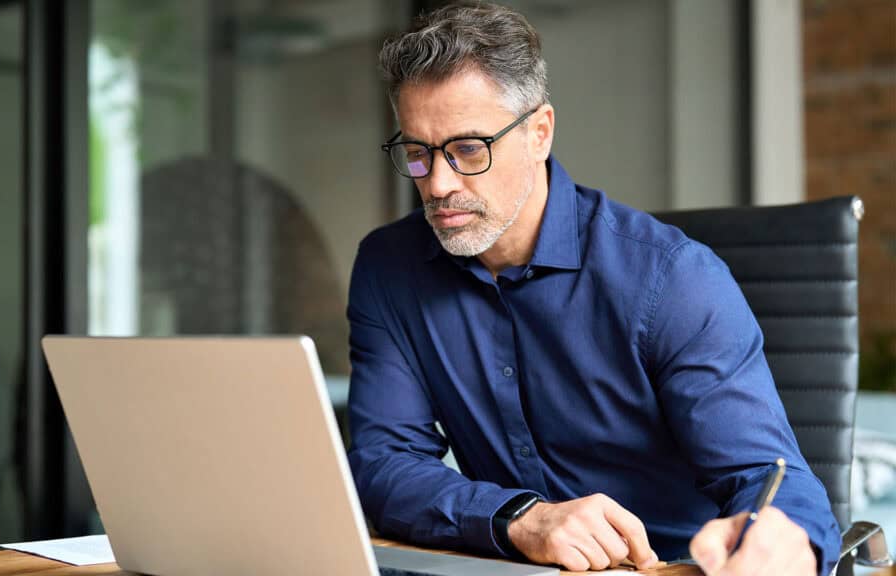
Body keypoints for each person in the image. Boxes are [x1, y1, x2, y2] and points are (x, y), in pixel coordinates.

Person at [345, 3, 840, 576]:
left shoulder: (673, 278)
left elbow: (768, 478)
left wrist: (783, 543)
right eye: (416, 152)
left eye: (468, 150)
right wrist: (521, 520)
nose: (440, 183)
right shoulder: (389, 268)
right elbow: (384, 464)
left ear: (539, 133)